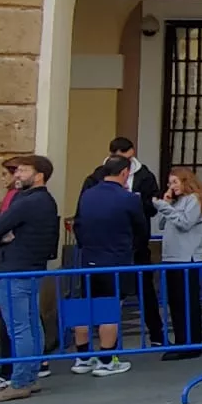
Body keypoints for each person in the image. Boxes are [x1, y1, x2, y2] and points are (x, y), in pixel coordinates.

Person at [0, 158, 60, 402]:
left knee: (20, 327)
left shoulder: (28, 201)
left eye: (24, 170)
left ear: (40, 175)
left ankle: (21, 380)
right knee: (31, 323)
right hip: (31, 267)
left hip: (15, 268)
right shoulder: (44, 200)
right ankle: (30, 376)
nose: (17, 175)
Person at [69, 158, 138, 377]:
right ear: (125, 173)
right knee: (110, 308)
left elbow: (77, 224)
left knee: (85, 306)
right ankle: (107, 360)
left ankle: (82, 356)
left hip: (88, 257)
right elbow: (140, 228)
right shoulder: (128, 199)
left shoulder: (88, 194)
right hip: (116, 259)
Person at [102, 137, 165, 348]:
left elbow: (153, 205)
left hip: (138, 243)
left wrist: (137, 201)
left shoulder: (145, 175)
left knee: (145, 290)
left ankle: (157, 334)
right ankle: (109, 343)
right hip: (110, 245)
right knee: (111, 295)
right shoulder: (98, 175)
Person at [151, 167, 202, 360]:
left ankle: (192, 343)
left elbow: (185, 223)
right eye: (169, 183)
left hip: (187, 257)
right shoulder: (175, 202)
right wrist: (166, 204)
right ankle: (180, 340)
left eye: (175, 182)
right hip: (172, 256)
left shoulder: (193, 199)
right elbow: (162, 224)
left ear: (185, 181)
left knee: (187, 301)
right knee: (175, 302)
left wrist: (164, 207)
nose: (172, 186)